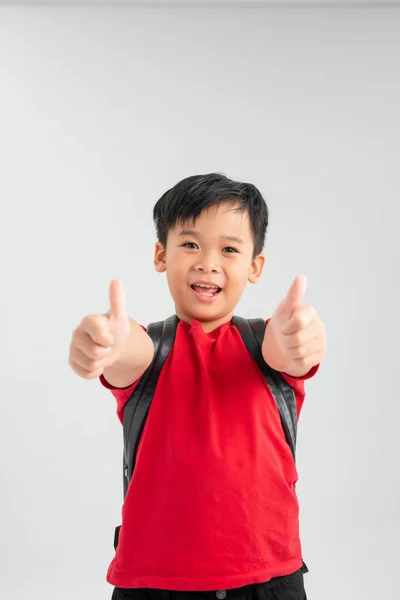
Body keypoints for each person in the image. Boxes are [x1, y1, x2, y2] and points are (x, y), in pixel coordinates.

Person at [68, 173, 327, 600]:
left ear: (255, 266)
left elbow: (287, 351)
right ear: (161, 255)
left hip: (268, 582)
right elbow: (127, 351)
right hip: (153, 584)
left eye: (229, 249)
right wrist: (106, 343)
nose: (208, 262)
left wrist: (300, 337)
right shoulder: (151, 351)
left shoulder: (265, 344)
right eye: (190, 244)